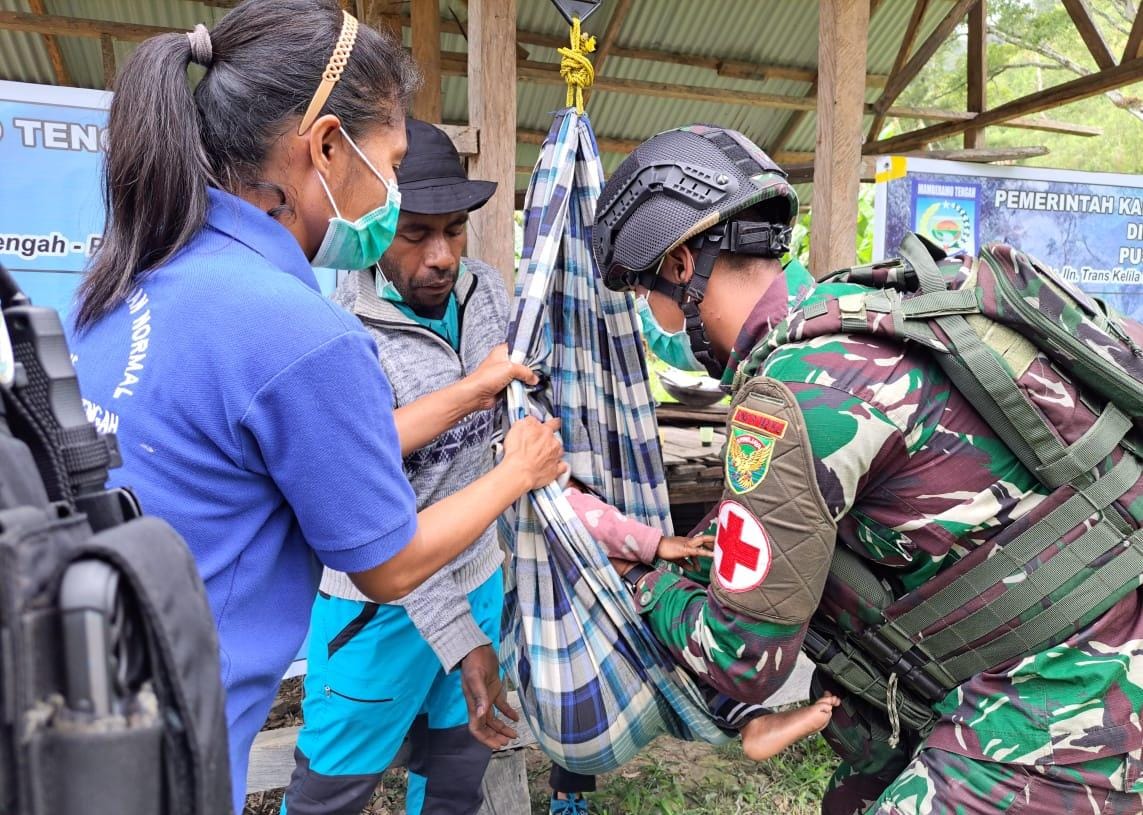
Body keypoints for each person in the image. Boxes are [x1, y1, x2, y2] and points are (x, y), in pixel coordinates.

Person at [68, 6, 564, 811]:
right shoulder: (303, 329)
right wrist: (519, 471)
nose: (396, 197)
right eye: (392, 165)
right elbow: (387, 559)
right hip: (176, 745)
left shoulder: (127, 276)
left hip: (82, 690)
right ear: (328, 145)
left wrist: (473, 391)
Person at [591, 125, 1143, 815]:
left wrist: (640, 584)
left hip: (1075, 699)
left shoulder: (793, 391)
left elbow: (741, 659)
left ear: (678, 263)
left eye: (646, 295)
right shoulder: (871, 318)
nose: (653, 317)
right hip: (1094, 638)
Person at [282, 118, 527, 815]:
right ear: (375, 221)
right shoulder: (340, 334)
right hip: (380, 607)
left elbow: (504, 428)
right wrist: (461, 639)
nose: (443, 255)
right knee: (329, 793)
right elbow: (376, 517)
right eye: (415, 232)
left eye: (453, 228)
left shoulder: (486, 291)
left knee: (455, 781)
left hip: (480, 578)